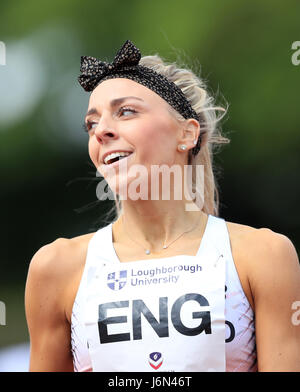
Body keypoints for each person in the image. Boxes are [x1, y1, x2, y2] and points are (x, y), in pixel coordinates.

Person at [25, 40, 300, 372]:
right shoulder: (56, 267)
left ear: (186, 134)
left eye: (126, 111)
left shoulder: (263, 255)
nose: (101, 132)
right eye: (92, 124)